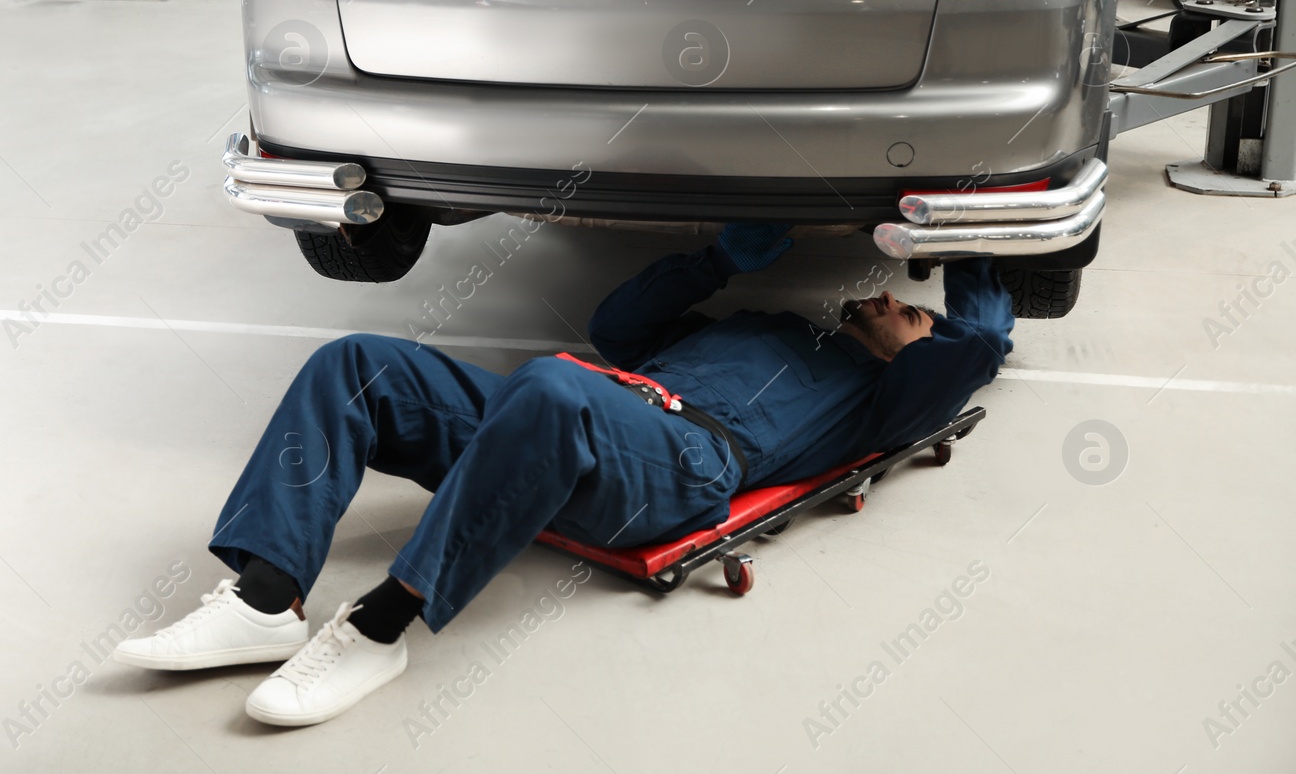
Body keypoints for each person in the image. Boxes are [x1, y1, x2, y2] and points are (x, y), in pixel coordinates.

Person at [113, 223, 1014, 726]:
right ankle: (265, 596)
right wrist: (717, 263)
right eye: (901, 297)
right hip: (592, 409)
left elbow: (981, 342)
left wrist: (973, 232)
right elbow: (618, 327)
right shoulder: (773, 323)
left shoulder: (882, 396)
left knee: (551, 383)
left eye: (913, 314)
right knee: (359, 362)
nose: (896, 302)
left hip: (678, 468)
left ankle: (382, 628)